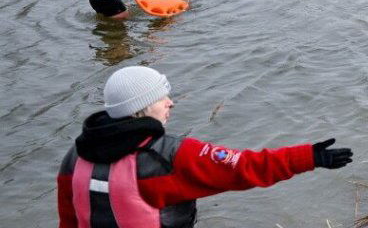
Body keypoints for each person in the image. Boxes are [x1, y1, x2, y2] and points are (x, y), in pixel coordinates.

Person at [57, 66, 353, 228]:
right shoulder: (169, 156)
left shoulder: (76, 156)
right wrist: (310, 157)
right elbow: (244, 168)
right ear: (142, 107)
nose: (170, 102)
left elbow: (68, 221)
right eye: (162, 97)